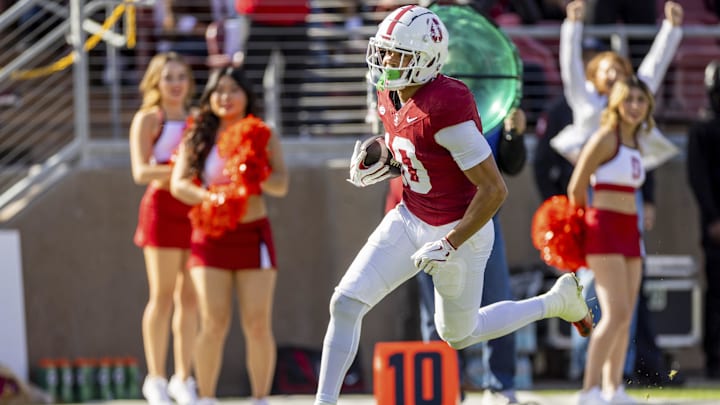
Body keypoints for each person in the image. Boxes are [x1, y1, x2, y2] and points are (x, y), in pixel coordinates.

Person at [313, 6, 591, 405]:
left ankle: (556, 302)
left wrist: (452, 242)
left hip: (462, 229)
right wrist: (385, 163)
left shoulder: (447, 103)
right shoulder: (388, 91)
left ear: (424, 60)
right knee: (345, 302)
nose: (383, 61)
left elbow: (495, 189)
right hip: (411, 217)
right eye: (384, 51)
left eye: (395, 54)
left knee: (458, 334)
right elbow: (419, 155)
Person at [170, 67, 289, 405]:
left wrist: (256, 177)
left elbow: (281, 185)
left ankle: (260, 398)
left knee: (256, 322)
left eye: (233, 89)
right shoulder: (197, 135)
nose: (225, 97)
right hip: (210, 235)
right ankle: (206, 397)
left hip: (254, 235)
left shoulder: (263, 133)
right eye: (218, 90)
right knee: (213, 321)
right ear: (209, 96)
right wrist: (210, 197)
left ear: (246, 95)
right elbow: (179, 184)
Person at [407, 109, 528, 405]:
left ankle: (500, 386)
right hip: (434, 219)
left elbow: (510, 166)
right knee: (435, 313)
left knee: (497, 297)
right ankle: (442, 391)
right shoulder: (429, 101)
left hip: (481, 220)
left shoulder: (494, 106)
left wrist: (513, 134)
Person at [567, 76, 655, 405]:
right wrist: (581, 229)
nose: (635, 106)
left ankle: (613, 388)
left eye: (640, 100)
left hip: (630, 230)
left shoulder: (637, 142)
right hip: (603, 227)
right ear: (616, 102)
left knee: (627, 314)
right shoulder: (606, 137)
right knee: (615, 312)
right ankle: (588, 390)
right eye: (629, 99)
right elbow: (576, 187)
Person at [129, 52, 199, 405]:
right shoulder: (148, 118)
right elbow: (140, 172)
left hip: (194, 211)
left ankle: (183, 377)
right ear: (156, 80)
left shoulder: (199, 119)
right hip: (161, 210)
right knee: (162, 295)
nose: (174, 83)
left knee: (190, 298)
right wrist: (178, 171)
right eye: (168, 76)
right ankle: (155, 377)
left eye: (180, 76)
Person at [687, 60, 720, 380]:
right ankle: (715, 360)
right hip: (716, 226)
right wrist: (712, 217)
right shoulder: (703, 128)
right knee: (717, 292)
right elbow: (698, 178)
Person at [234, 0, 310, 136]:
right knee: (252, 82)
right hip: (257, 14)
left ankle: (291, 133)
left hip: (294, 15)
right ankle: (252, 133)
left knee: (293, 82)